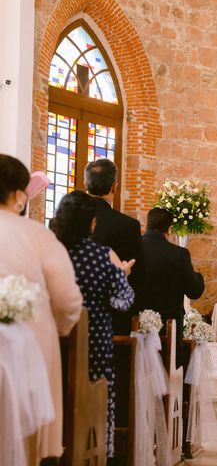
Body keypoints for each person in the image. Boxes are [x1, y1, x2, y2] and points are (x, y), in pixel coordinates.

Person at [0, 154, 83, 462]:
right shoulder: (38, 235)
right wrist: (60, 329)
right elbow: (67, 299)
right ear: (19, 195)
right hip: (29, 347)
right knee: (28, 442)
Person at [50, 190, 135, 460]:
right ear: (92, 223)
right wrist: (121, 274)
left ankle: (52, 450)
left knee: (56, 392)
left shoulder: (51, 251)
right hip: (95, 338)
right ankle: (98, 452)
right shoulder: (101, 256)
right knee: (97, 397)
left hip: (53, 336)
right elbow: (125, 301)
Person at [85, 158, 145, 334]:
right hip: (113, 321)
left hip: (70, 315)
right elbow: (138, 278)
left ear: (85, 184)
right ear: (114, 186)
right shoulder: (126, 225)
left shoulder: (66, 220)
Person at [140, 207, 205, 365]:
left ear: (147, 225)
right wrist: (199, 277)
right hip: (169, 328)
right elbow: (194, 291)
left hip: (138, 326)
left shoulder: (132, 248)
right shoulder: (178, 254)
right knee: (170, 369)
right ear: (169, 229)